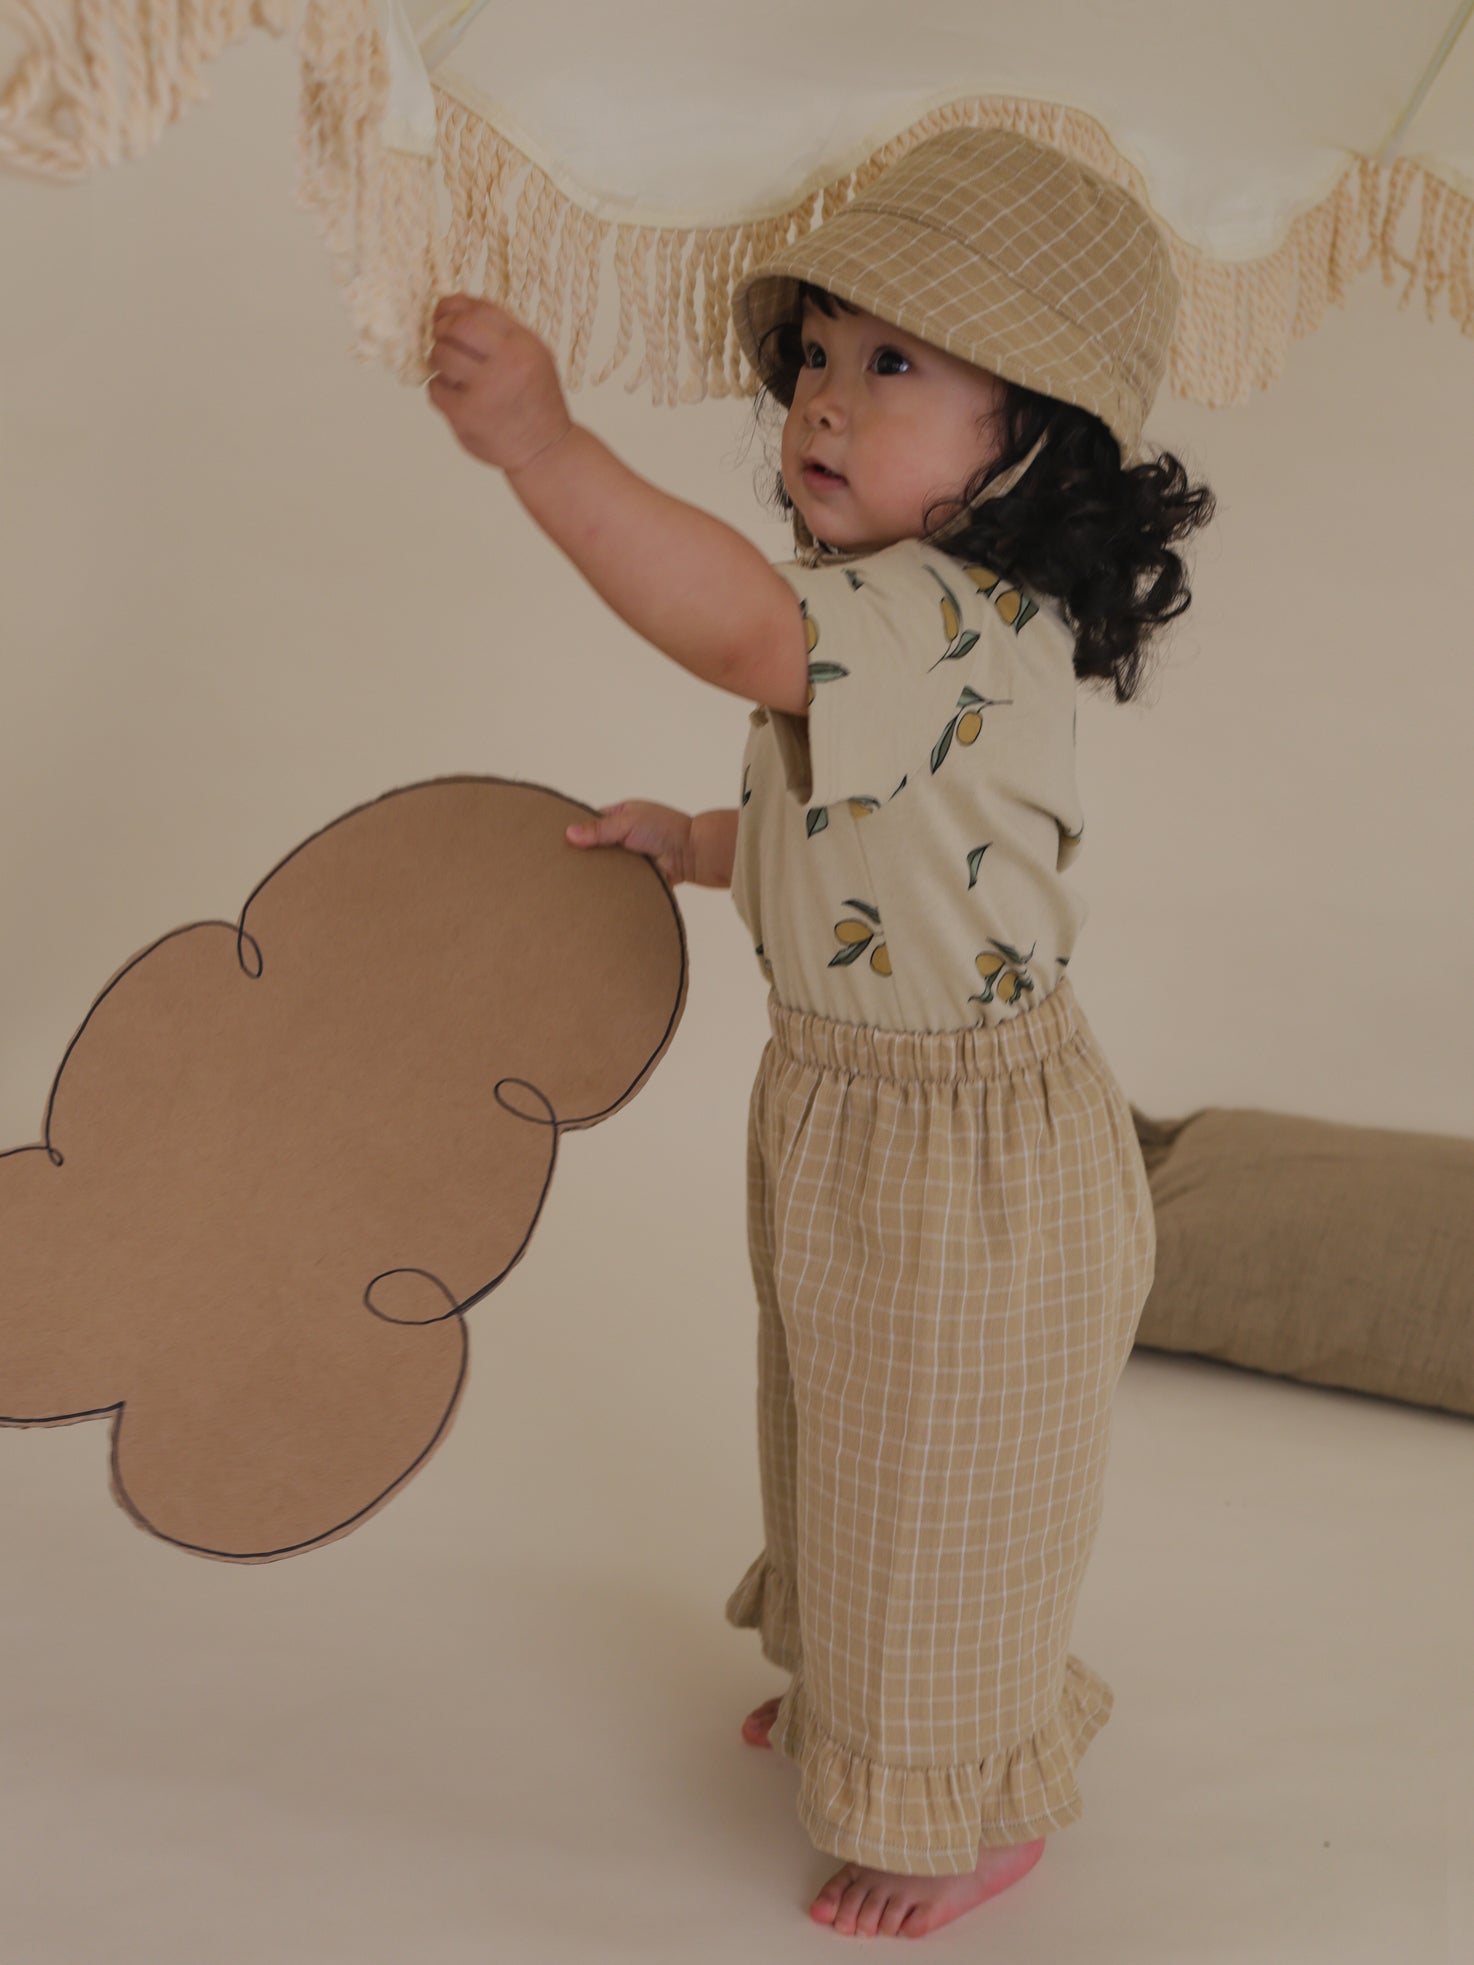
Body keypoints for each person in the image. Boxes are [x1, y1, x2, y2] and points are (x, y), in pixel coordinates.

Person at [427, 125, 1216, 1941]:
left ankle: (962, 1792)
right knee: (851, 1437)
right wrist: (700, 845)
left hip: (976, 1157)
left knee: (939, 1483)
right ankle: (877, 1703)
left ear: (1024, 446)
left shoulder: (948, 621)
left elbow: (732, 628)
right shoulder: (883, 627)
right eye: (815, 355)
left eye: (893, 367)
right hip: (854, 1112)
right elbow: (859, 838)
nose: (822, 402)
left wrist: (546, 449)